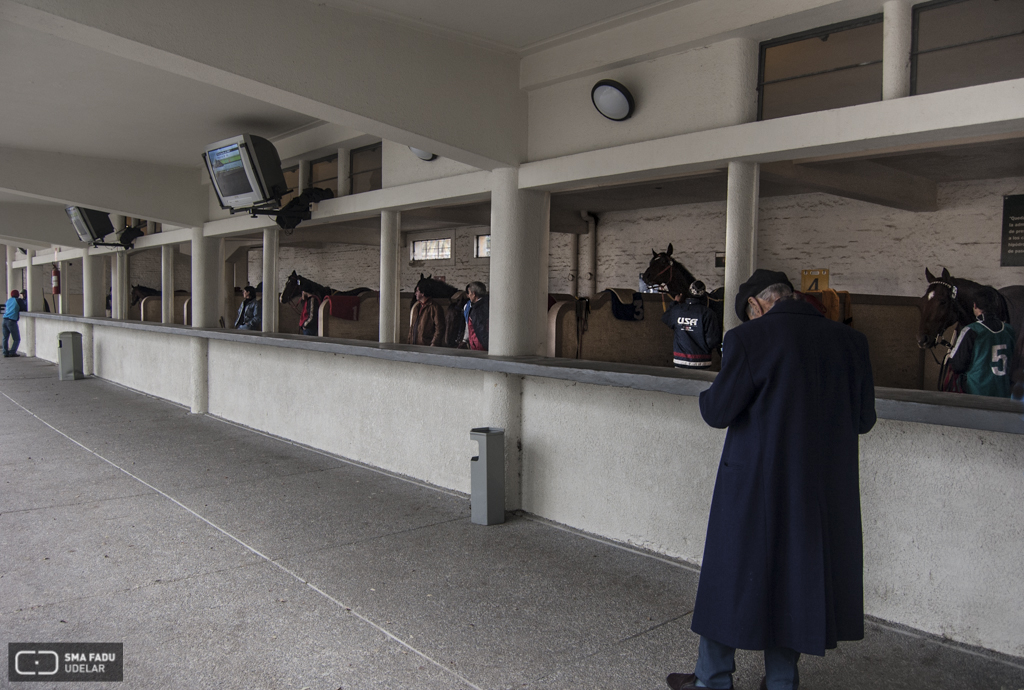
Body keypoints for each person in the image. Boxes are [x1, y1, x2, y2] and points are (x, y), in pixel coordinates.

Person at [667, 269, 876, 690]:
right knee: (796, 578)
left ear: (758, 305)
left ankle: (713, 679)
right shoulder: (851, 342)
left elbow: (718, 412)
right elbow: (863, 420)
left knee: (730, 575)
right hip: (819, 491)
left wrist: (710, 392)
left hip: (754, 486)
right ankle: (781, 681)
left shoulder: (751, 339)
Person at [948, 291, 1016, 398]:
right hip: (1004, 394)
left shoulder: (971, 330)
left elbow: (958, 366)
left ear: (975, 305)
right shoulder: (1009, 330)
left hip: (977, 393)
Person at [661, 280, 721, 368]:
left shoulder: (677, 310)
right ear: (703, 295)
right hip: (703, 361)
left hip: (680, 360)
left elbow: (665, 318)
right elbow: (712, 340)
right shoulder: (708, 313)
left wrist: (675, 302)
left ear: (688, 293)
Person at [465, 281, 489, 351]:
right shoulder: (489, 303)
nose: (468, 296)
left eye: (469, 293)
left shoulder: (477, 309)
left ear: (474, 294)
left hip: (479, 347)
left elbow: (480, 329)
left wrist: (486, 346)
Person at [3, 290, 22, 358]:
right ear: (17, 294)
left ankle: (5, 352)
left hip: (4, 320)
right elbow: (24, 307)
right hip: (11, 321)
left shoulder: (8, 300)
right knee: (17, 339)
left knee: (5, 337)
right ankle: (12, 352)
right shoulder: (18, 300)